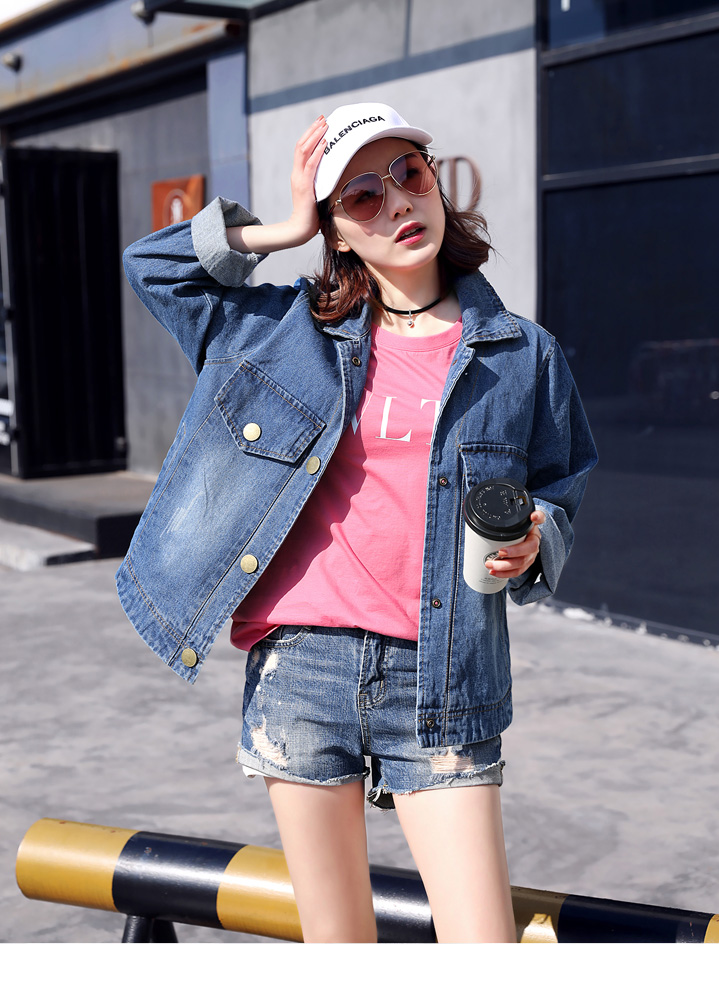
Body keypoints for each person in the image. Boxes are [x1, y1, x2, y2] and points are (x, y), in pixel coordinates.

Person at [118, 102, 597, 943]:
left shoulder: (524, 355)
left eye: (409, 174)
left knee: (483, 945)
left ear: (434, 180)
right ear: (335, 230)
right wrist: (285, 227)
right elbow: (152, 266)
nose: (398, 203)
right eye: (362, 197)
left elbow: (561, 485)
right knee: (339, 948)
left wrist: (535, 540)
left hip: (442, 675)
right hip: (302, 666)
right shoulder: (281, 331)